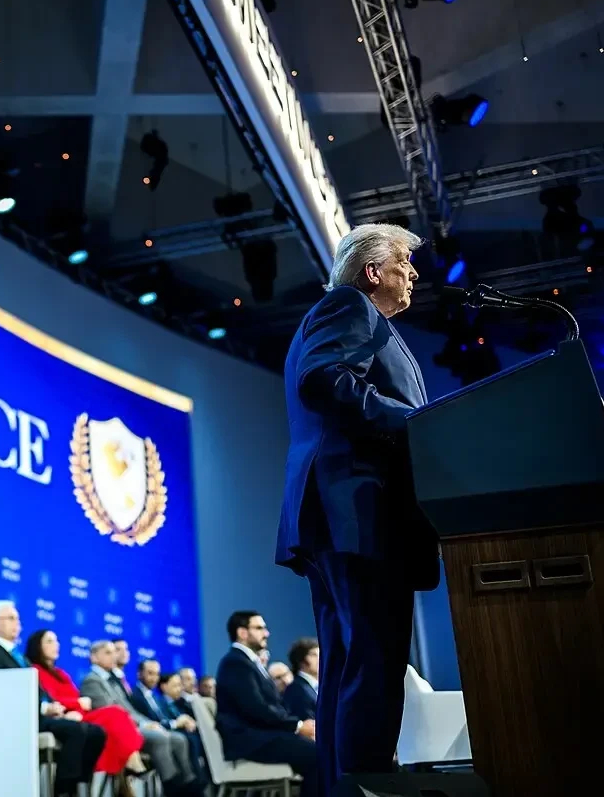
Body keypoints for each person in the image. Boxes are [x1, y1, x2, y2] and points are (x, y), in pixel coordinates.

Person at [276, 223, 442, 793]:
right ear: (373, 271)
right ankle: (369, 783)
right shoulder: (349, 306)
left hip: (344, 514)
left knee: (350, 664)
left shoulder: (367, 323)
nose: (413, 274)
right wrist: (415, 421)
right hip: (357, 510)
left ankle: (345, 787)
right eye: (403, 263)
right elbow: (322, 379)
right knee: (372, 658)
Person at [0, 601, 106, 796]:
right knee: (77, 731)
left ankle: (80, 786)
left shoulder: (21, 657)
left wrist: (54, 707)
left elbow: (38, 690)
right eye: (10, 618)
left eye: (17, 619)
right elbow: (2, 693)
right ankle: (62, 792)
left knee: (96, 732)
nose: (17, 623)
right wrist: (44, 708)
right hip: (20, 720)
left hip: (39, 715)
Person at [215, 611, 319, 797]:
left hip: (261, 736)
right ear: (242, 633)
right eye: (259, 628)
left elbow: (272, 707)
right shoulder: (235, 663)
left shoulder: (247, 662)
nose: (266, 633)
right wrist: (298, 726)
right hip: (249, 741)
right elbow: (256, 708)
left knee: (319, 749)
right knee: (317, 754)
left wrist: (300, 726)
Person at [80, 640, 200, 796]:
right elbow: (110, 711)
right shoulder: (91, 680)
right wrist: (142, 725)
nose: (114, 656)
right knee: (160, 738)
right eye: (108, 653)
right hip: (115, 731)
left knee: (177, 738)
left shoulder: (113, 682)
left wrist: (147, 723)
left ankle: (189, 783)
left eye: (114, 652)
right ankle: (172, 788)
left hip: (130, 726)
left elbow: (129, 709)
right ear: (94, 657)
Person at [23, 630, 146, 782]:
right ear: (37, 646)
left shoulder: (61, 673)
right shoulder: (35, 672)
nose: (56, 645)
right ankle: (130, 762)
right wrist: (73, 706)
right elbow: (51, 702)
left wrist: (77, 707)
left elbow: (82, 701)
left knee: (116, 714)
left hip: (79, 714)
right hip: (62, 716)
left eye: (56, 641)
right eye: (49, 641)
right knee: (114, 714)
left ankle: (129, 761)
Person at [283, 638, 320, 721]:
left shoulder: (319, 687)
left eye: (320, 654)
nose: (320, 659)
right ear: (300, 660)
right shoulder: (296, 688)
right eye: (313, 655)